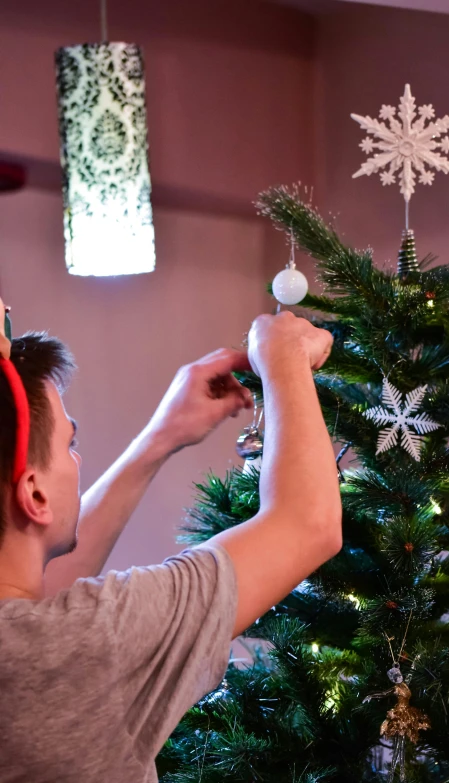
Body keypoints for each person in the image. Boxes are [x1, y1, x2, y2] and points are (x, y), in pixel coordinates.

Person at [0, 301, 342, 783]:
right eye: (69, 445)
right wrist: (282, 355)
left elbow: (42, 590)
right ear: (34, 492)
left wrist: (162, 436)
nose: (76, 459)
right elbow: (308, 522)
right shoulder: (87, 641)